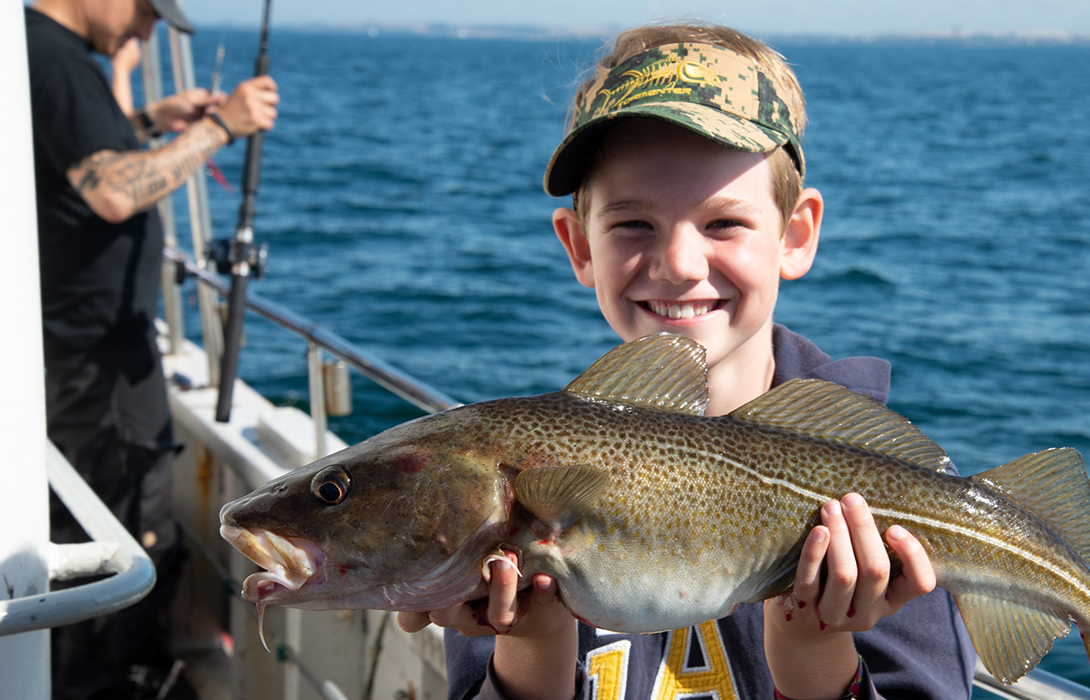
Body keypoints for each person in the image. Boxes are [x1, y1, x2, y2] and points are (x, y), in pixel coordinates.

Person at [399, 23, 978, 700]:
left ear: (796, 235)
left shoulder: (890, 491)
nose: (677, 263)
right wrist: (533, 642)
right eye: (632, 224)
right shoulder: (510, 490)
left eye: (723, 223)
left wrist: (814, 648)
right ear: (578, 245)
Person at [25, 0, 279, 697]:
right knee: (125, 545)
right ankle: (101, 688)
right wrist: (224, 126)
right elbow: (109, 189)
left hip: (89, 356)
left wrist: (149, 120)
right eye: (144, 11)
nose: (146, 30)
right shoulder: (52, 56)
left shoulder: (50, 57)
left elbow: (79, 153)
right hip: (97, 366)